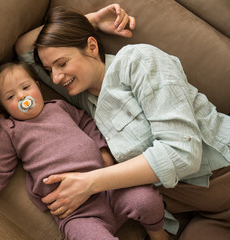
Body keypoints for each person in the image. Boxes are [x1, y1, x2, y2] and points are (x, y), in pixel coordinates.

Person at [15, 4, 230, 240]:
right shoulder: (82, 98)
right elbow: (24, 48)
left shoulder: (137, 61)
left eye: (62, 63)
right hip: (205, 211)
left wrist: (90, 182)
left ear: (92, 46)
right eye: (49, 69)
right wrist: (90, 22)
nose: (55, 77)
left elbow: (183, 152)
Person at [0, 61, 169, 240]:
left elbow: (88, 123)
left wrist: (104, 152)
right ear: (4, 108)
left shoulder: (59, 106)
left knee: (147, 200)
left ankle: (157, 232)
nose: (22, 97)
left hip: (109, 187)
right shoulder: (10, 131)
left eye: (25, 87)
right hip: (77, 212)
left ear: (38, 86)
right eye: (10, 97)